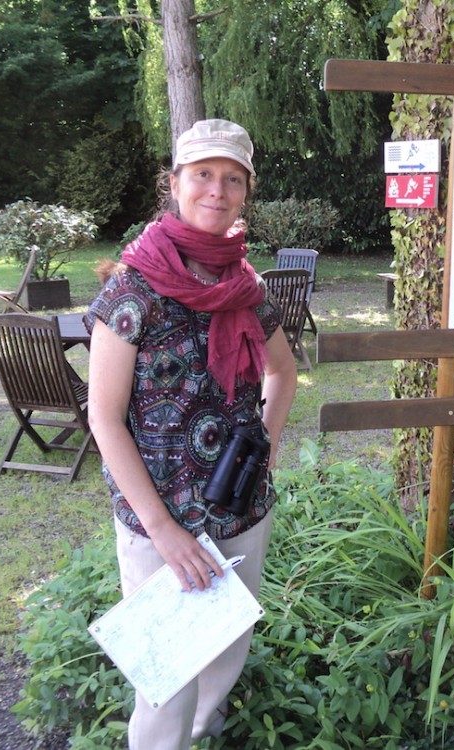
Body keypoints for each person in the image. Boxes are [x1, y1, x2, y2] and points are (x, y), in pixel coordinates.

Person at [85, 119, 298, 749]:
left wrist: (266, 448)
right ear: (174, 183)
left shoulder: (246, 286)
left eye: (233, 179)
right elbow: (103, 417)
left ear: (245, 193)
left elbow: (283, 372)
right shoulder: (133, 289)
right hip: (161, 523)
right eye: (203, 174)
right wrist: (166, 533)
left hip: (239, 510)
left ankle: (206, 735)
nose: (217, 189)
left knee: (224, 657)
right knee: (164, 679)